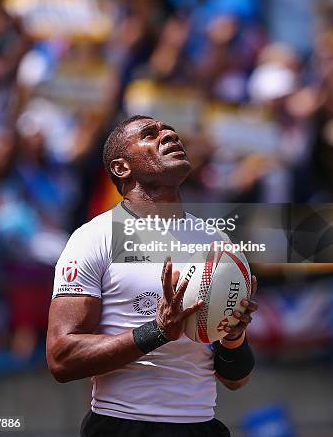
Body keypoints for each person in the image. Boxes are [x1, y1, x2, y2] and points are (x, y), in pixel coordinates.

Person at [46, 115, 258, 437]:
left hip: (200, 426)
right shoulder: (95, 237)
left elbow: (236, 380)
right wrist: (156, 332)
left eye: (170, 130)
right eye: (150, 134)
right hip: (122, 425)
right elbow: (62, 357)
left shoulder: (218, 243)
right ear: (121, 168)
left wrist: (233, 336)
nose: (170, 134)